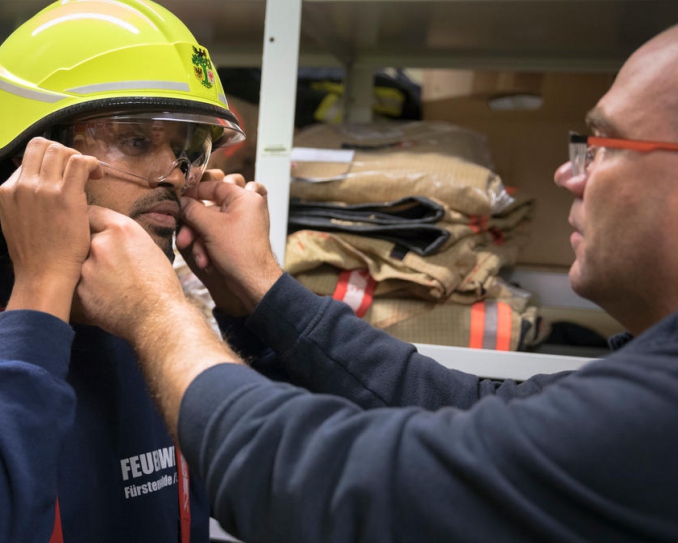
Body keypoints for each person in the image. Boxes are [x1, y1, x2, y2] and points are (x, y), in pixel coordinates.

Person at [74, 24, 678, 543]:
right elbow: (458, 407)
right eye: (133, 141)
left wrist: (159, 314)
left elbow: (317, 483)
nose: (568, 173)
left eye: (602, 146)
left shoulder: (654, 415)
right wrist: (263, 294)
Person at [0, 1, 245, 541]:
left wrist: (250, 301)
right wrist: (41, 294)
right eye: (136, 140)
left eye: (189, 149)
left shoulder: (157, 327)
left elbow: (290, 490)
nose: (176, 176)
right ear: (27, 165)